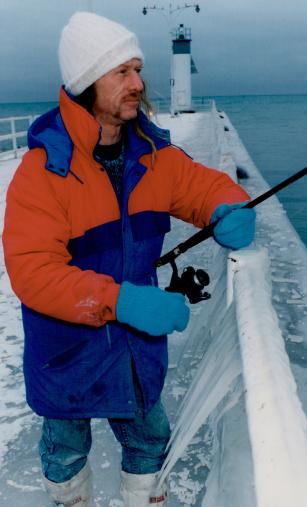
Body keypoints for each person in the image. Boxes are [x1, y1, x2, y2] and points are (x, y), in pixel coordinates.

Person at [2, 11, 255, 507]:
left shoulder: (151, 155)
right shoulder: (41, 173)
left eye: (138, 69)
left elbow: (202, 186)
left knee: (149, 440)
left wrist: (230, 206)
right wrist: (119, 301)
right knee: (65, 451)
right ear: (86, 82)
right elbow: (33, 272)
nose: (138, 82)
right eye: (122, 71)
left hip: (136, 350)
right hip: (66, 349)